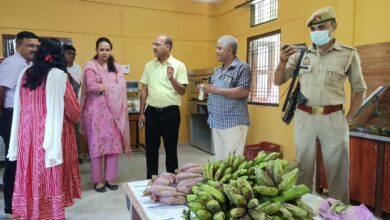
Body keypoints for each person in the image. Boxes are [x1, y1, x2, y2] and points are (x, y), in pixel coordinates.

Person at [273, 6, 367, 204]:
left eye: (321, 27)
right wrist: (282, 62)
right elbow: (278, 80)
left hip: (333, 118)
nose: (317, 33)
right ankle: (301, 209)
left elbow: (359, 90)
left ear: (333, 26)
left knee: (337, 170)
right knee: (302, 168)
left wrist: (348, 119)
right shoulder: (300, 54)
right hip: (303, 116)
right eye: (313, 29)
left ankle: (338, 212)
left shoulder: (348, 54)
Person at [7, 38, 81, 219]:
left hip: (27, 135)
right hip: (52, 136)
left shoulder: (26, 73)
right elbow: (73, 112)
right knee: (48, 174)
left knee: (30, 174)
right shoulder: (58, 76)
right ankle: (50, 213)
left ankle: (30, 211)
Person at [82, 37, 131, 192]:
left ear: (111, 51)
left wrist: (104, 86)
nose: (104, 52)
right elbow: (91, 86)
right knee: (96, 146)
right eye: (101, 49)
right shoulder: (90, 65)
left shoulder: (116, 67)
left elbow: (122, 86)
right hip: (95, 112)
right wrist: (110, 86)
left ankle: (110, 178)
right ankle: (98, 181)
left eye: (107, 50)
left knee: (113, 146)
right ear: (96, 50)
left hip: (113, 113)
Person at [0, 31, 39, 218]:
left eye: (36, 46)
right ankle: (9, 204)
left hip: (24, 117)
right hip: (10, 115)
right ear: (18, 46)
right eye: (30, 45)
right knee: (13, 159)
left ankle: (22, 199)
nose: (34, 49)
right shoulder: (12, 64)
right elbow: (1, 89)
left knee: (23, 159)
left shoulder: (30, 65)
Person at [139, 35, 188, 179]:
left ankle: (172, 179)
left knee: (170, 148)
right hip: (151, 113)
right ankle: (151, 178)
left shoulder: (179, 65)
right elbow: (144, 89)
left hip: (170, 113)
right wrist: (142, 112)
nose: (154, 47)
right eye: (153, 44)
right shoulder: (149, 65)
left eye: (157, 44)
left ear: (167, 47)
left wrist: (171, 78)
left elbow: (182, 91)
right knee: (151, 149)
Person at [198, 35, 251, 161]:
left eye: (219, 48)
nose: (216, 51)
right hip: (217, 121)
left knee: (232, 162)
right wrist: (206, 90)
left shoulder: (242, 67)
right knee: (220, 161)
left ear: (229, 51)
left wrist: (215, 90)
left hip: (233, 123)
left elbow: (243, 91)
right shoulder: (218, 71)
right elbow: (217, 91)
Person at [64, 44, 84, 164]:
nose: (71, 56)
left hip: (76, 103)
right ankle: (67, 157)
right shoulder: (60, 68)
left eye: (73, 53)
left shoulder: (78, 68)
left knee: (76, 131)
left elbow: (81, 85)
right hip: (63, 106)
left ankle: (77, 156)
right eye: (68, 53)